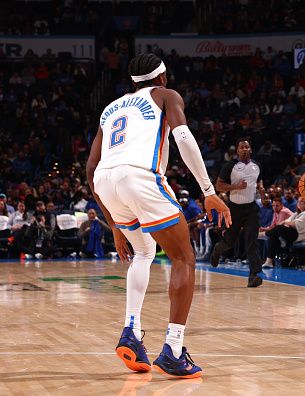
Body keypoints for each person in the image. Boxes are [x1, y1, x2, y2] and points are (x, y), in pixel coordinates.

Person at [86, 53, 231, 378]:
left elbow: (90, 166)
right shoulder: (166, 95)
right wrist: (209, 192)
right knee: (184, 258)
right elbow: (183, 138)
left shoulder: (110, 108)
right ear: (162, 77)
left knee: (144, 251)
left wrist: (113, 224)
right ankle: (174, 350)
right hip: (138, 176)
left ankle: (132, 333)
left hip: (104, 182)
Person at [211, 138, 265, 288]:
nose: (245, 149)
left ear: (251, 150)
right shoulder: (230, 166)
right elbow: (219, 186)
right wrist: (236, 186)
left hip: (251, 209)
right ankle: (217, 249)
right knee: (229, 241)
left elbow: (259, 181)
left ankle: (254, 275)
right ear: (237, 151)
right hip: (234, 208)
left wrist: (261, 189)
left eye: (247, 147)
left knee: (251, 240)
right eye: (242, 147)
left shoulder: (256, 166)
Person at [262, 197, 305, 268]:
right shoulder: (297, 213)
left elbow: (297, 224)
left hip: (300, 236)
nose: (299, 203)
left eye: (301, 201)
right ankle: (269, 262)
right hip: (295, 233)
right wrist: (287, 223)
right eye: (298, 201)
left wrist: (286, 222)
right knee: (274, 236)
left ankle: (264, 235)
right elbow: (287, 222)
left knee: (278, 229)